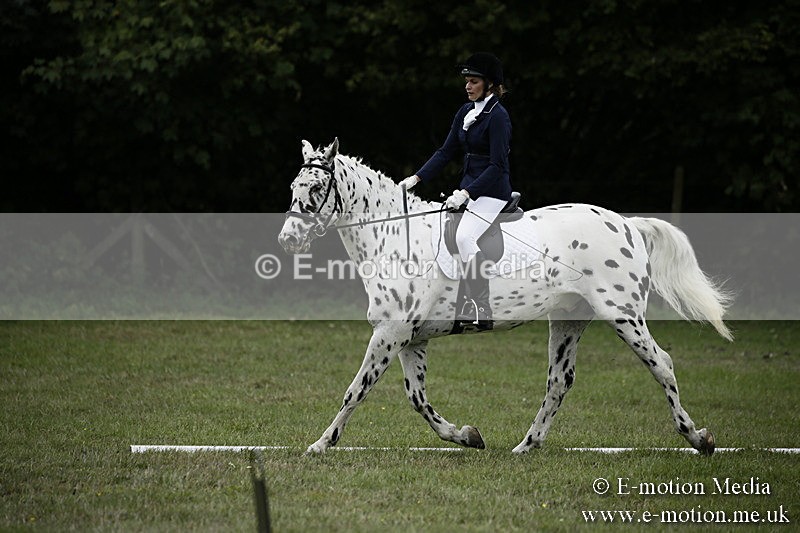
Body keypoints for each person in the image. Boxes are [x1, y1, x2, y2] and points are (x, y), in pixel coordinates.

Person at [401, 52, 512, 330]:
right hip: (470, 187)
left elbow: (498, 165)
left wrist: (467, 193)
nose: (467, 86)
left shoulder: (498, 116)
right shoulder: (465, 112)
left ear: (489, 85)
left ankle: (481, 308)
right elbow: (446, 151)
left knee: (464, 238)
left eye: (473, 81)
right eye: (466, 81)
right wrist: (416, 178)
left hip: (493, 190)